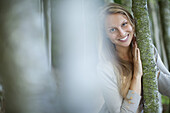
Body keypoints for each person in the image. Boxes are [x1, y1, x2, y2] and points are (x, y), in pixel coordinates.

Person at [97, 3, 170, 113]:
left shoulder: (147, 50)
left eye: (124, 24)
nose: (121, 33)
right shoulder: (105, 68)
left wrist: (149, 67)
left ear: (131, 23)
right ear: (105, 34)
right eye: (112, 30)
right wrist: (137, 74)